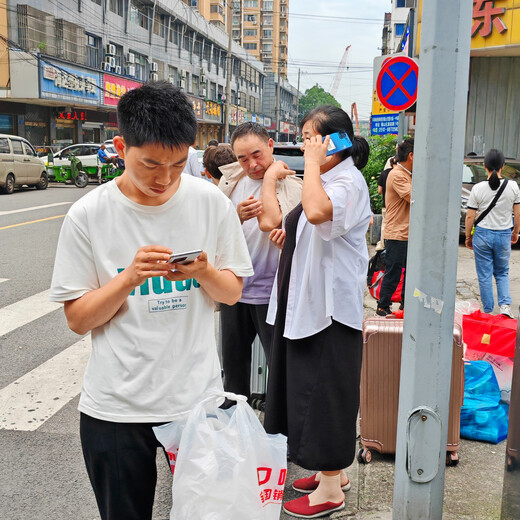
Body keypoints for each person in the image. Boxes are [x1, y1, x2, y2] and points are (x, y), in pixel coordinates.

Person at [49, 81, 253, 520]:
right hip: (115, 409)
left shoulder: (210, 203)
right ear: (121, 147)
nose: (164, 179)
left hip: (197, 403)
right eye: (151, 164)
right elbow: (78, 320)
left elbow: (232, 294)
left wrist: (203, 272)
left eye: (178, 164)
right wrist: (127, 279)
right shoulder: (88, 214)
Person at [264, 105, 371, 519]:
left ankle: (329, 490)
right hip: (308, 307)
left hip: (329, 312)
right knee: (310, 390)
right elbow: (305, 226)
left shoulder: (348, 181)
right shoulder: (325, 178)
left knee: (324, 395)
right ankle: (334, 475)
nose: (306, 142)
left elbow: (317, 212)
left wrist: (310, 163)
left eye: (312, 136)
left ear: (336, 141)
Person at [218, 121, 302, 400]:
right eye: (242, 158)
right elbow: (213, 233)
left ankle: (279, 433)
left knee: (280, 367)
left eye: (257, 154)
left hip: (274, 293)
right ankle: (234, 427)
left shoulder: (294, 187)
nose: (252, 164)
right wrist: (235, 217)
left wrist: (288, 240)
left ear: (270, 145)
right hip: (236, 290)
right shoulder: (229, 184)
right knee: (233, 369)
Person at [465, 148, 520, 318]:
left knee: (484, 274)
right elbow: (517, 213)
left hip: (482, 235)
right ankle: (504, 307)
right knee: (502, 272)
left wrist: (468, 236)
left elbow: (470, 216)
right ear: (503, 166)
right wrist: (516, 232)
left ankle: (488, 310)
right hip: (504, 234)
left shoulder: (478, 188)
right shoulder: (513, 186)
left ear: (484, 166)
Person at [376, 138, 414, 316]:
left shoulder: (408, 174)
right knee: (394, 272)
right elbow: (414, 198)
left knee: (411, 273)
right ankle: (383, 306)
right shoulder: (398, 174)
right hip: (397, 233)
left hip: (408, 233)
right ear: (412, 155)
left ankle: (406, 306)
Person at [375, 155, 397, 251]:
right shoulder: (400, 174)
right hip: (396, 206)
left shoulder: (384, 173)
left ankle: (383, 245)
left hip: (386, 204)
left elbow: (379, 190)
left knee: (385, 225)